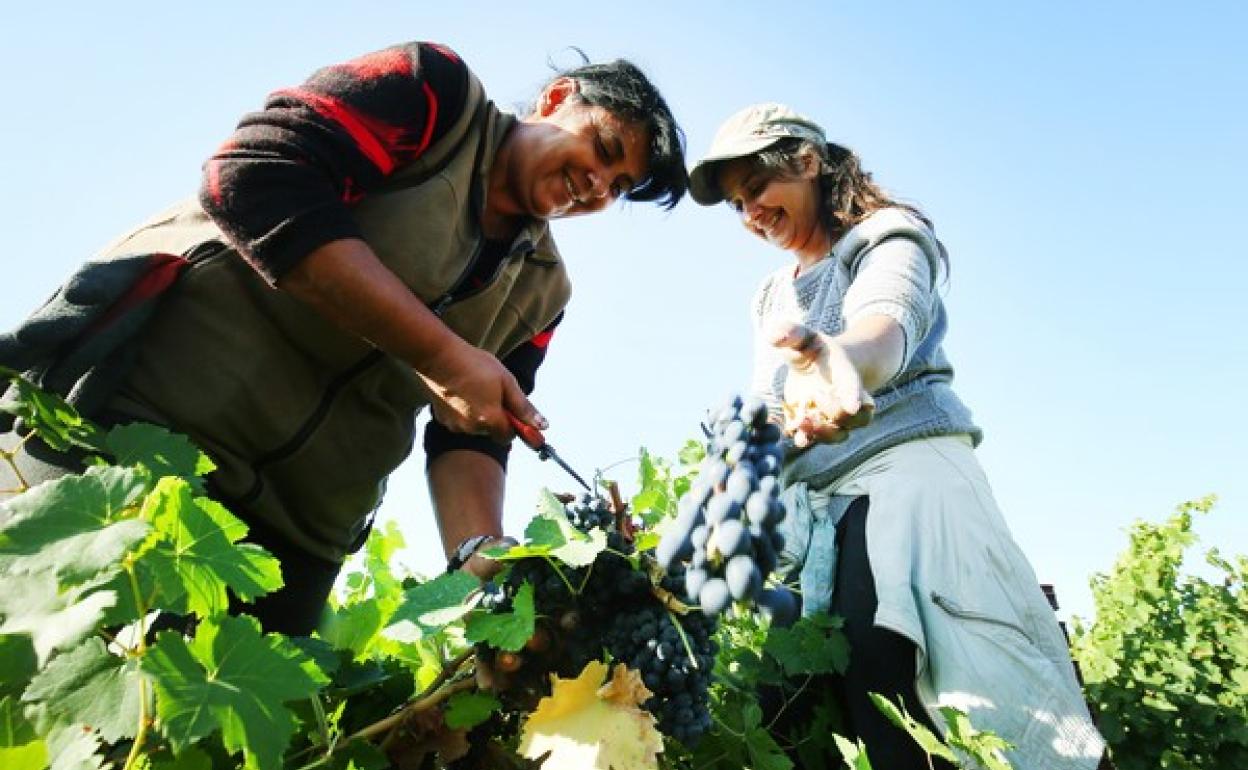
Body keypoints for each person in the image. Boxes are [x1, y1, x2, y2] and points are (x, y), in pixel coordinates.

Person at [0, 41, 687, 636]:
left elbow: (471, 432)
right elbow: (252, 177)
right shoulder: (436, 96)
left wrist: (485, 563)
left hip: (292, 539)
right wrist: (443, 354)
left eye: (618, 186)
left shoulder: (545, 291)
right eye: (603, 148)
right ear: (558, 97)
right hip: (139, 427)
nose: (597, 183)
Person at [687, 104, 1104, 769]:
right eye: (737, 204)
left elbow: (885, 324)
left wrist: (845, 362)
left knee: (908, 695)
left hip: (907, 487)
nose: (751, 213)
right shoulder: (771, 294)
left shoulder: (886, 236)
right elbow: (772, 403)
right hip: (816, 514)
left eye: (756, 188)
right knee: (798, 716)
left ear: (805, 162)